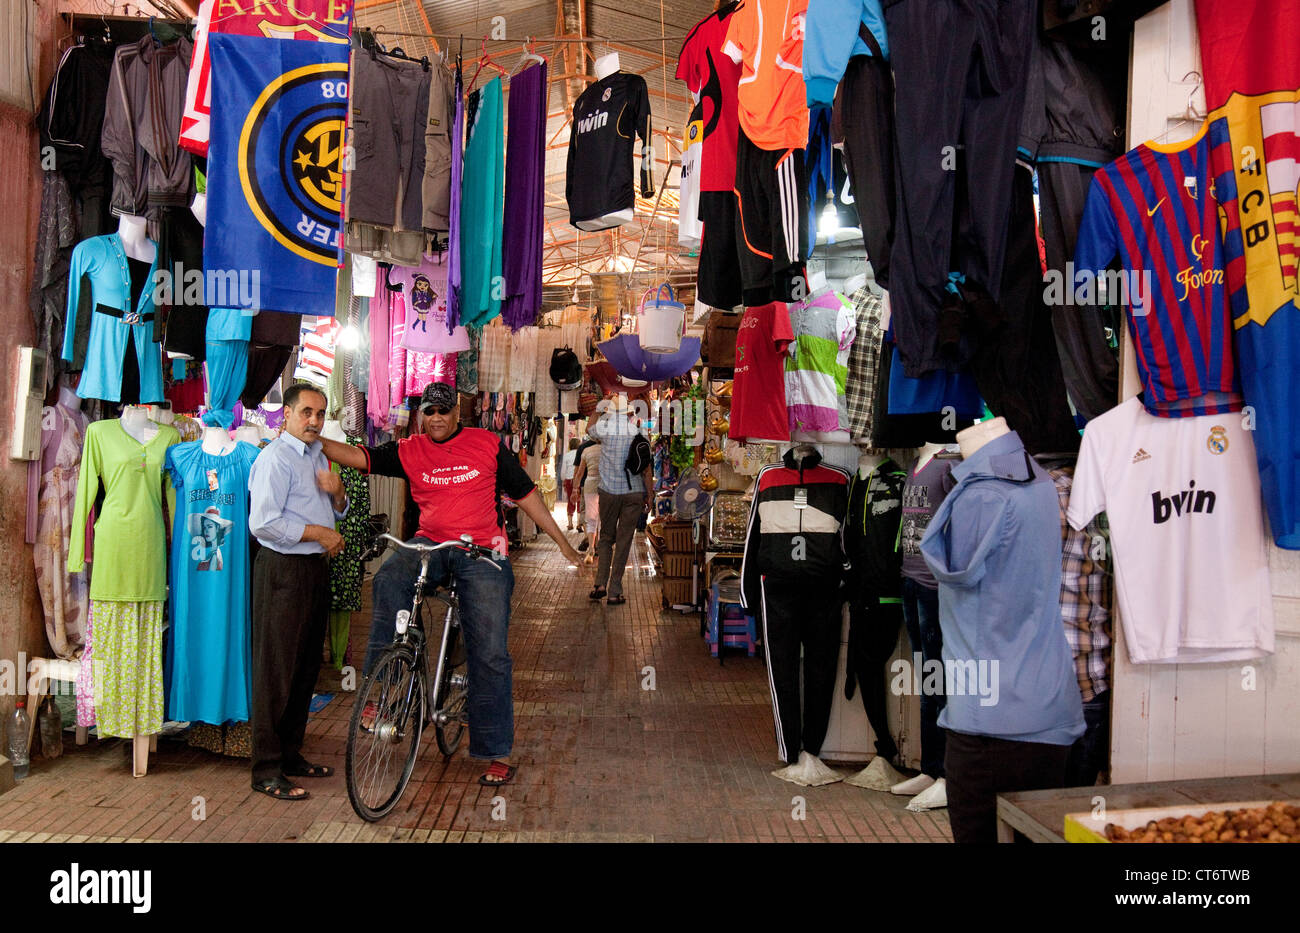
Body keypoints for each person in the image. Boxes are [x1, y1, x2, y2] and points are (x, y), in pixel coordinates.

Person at [319, 382, 580, 786]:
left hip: (484, 551)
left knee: (489, 651)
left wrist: (562, 544)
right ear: (422, 415)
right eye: (430, 412)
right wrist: (307, 436)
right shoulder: (410, 449)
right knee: (389, 578)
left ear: (457, 413)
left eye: (444, 411)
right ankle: (384, 690)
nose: (437, 418)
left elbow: (526, 494)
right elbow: (358, 456)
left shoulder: (487, 443)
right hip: (432, 544)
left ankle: (495, 750)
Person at [247, 383, 348, 801]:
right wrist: (319, 532)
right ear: (285, 414)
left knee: (305, 667)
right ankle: (265, 768)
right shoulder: (274, 459)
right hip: (283, 570)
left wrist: (338, 493)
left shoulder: (318, 456)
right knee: (276, 669)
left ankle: (290, 755)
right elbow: (264, 524)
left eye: (320, 414)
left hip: (313, 569)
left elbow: (336, 507)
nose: (314, 421)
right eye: (306, 412)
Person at [588, 394, 653, 605]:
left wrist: (598, 406)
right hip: (633, 493)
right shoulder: (638, 431)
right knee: (624, 542)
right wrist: (650, 495)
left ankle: (600, 584)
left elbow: (589, 428)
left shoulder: (604, 429)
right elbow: (647, 468)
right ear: (628, 413)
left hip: (609, 492)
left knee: (606, 538)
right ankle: (615, 591)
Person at [571, 431, 603, 565]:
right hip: (606, 485)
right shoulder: (608, 450)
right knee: (603, 518)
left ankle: (591, 548)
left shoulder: (586, 451)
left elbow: (579, 474)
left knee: (591, 518)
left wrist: (574, 489)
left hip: (589, 484)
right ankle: (602, 546)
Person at [560, 436, 579, 530]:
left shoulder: (567, 455)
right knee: (579, 500)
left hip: (569, 479)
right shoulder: (580, 454)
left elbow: (563, 470)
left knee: (570, 500)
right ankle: (580, 523)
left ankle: (570, 523)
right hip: (578, 479)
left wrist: (563, 479)